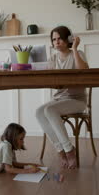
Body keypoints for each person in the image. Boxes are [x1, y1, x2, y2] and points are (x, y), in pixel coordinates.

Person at [35, 26, 89, 169]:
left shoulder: (78, 54)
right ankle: (61, 150)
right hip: (59, 100)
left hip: (77, 100)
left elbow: (84, 72)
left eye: (59, 38)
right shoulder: (52, 59)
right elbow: (49, 81)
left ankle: (69, 150)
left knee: (49, 110)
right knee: (39, 112)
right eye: (54, 39)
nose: (56, 42)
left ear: (67, 39)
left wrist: (76, 49)